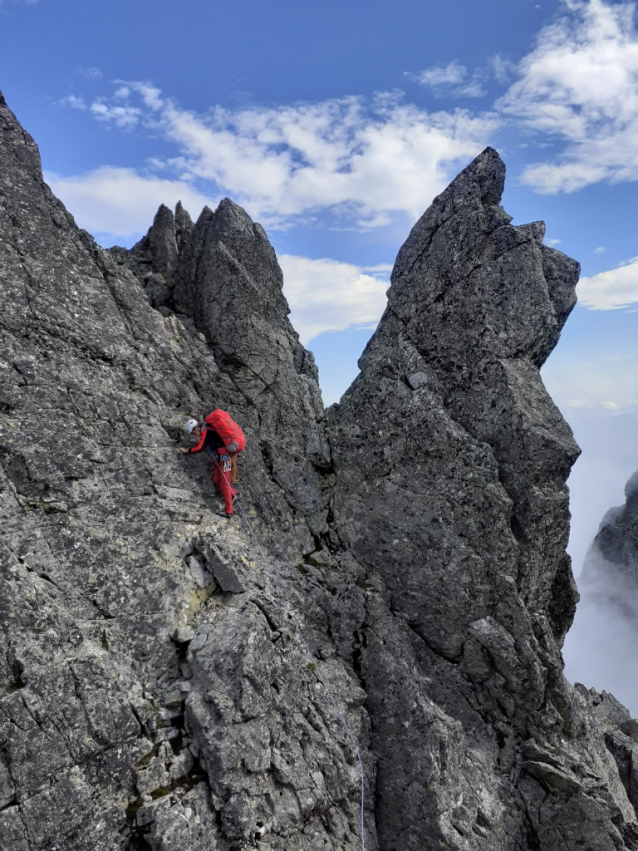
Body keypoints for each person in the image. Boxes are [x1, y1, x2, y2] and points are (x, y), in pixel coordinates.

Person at [179, 410, 245, 518]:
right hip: (222, 456)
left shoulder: (206, 431)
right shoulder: (209, 428)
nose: (194, 435)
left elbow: (201, 447)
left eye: (193, 432)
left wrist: (188, 451)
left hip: (225, 457)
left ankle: (229, 510)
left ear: (196, 428)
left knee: (224, 482)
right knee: (216, 480)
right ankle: (233, 493)